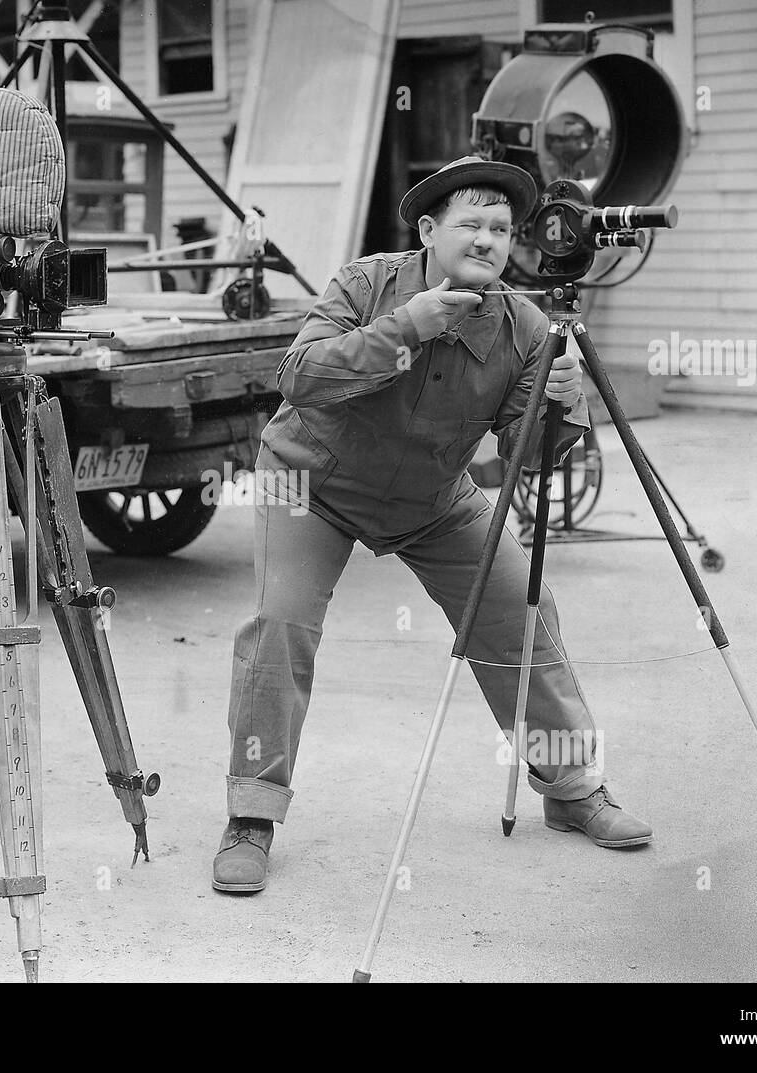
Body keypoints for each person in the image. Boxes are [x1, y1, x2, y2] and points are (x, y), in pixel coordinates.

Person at [213, 156, 652, 893]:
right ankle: (251, 815)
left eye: (502, 229)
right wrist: (404, 327)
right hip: (310, 482)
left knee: (519, 612)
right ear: (428, 230)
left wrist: (561, 407)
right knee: (281, 622)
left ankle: (572, 790)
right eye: (470, 224)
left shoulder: (524, 325)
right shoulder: (366, 284)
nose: (487, 239)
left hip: (432, 496)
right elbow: (300, 375)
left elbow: (527, 462)